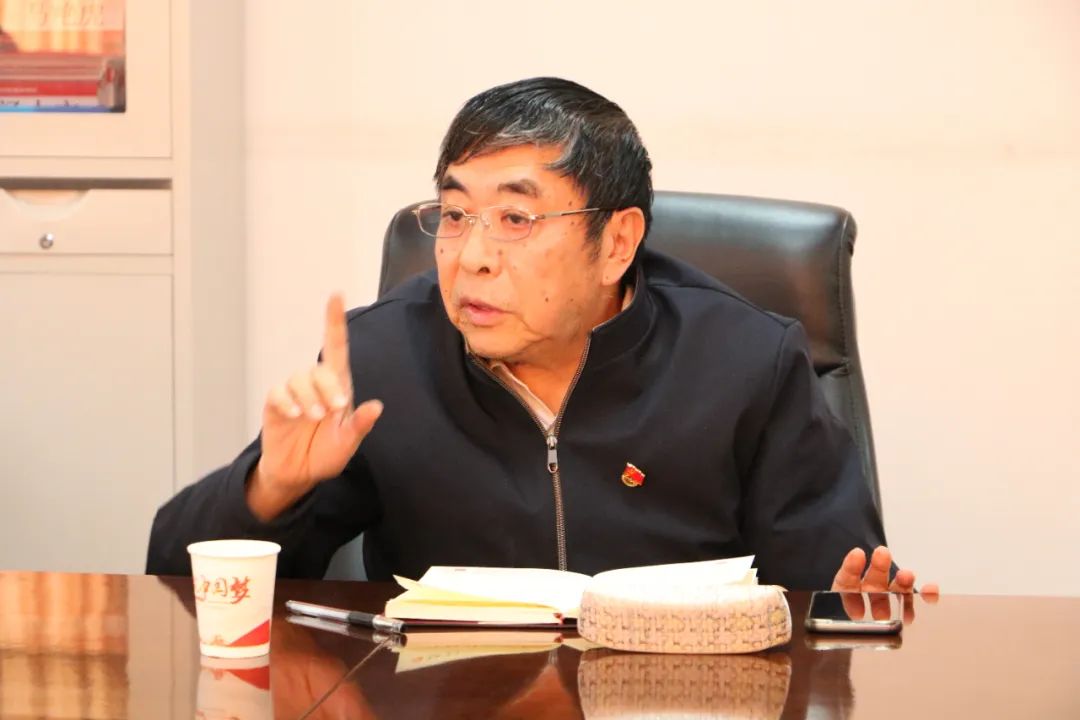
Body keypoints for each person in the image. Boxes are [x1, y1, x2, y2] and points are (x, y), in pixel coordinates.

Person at [147, 77, 936, 594]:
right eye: (455, 215)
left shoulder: (745, 361)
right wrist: (271, 488)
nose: (472, 257)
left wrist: (852, 606)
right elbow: (174, 578)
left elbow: (833, 595)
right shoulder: (383, 359)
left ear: (617, 243)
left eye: (516, 219)